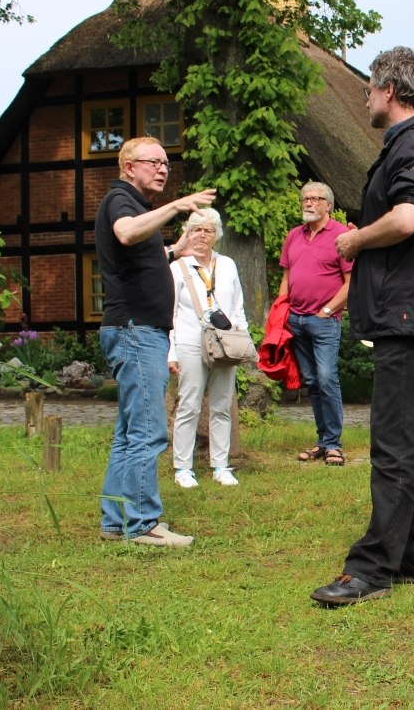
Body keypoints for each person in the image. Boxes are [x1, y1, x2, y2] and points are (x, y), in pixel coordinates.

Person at [310, 46, 414, 607]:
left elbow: (407, 217)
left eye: (370, 88)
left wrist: (353, 239)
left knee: (395, 446)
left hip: (408, 315)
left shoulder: (413, 142)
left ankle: (372, 568)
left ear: (392, 91)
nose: (365, 97)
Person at [96, 136, 216, 548]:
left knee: (129, 432)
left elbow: (137, 256)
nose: (163, 168)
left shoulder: (137, 205)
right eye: (154, 162)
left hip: (135, 329)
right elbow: (126, 235)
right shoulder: (121, 200)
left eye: (166, 162)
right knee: (147, 432)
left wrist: (174, 250)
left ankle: (115, 520)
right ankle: (143, 523)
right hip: (135, 330)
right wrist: (176, 206)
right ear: (129, 166)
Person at [168, 207, 247, 489]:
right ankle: (183, 468)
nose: (202, 235)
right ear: (187, 234)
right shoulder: (177, 266)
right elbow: (171, 313)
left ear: (216, 235)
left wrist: (242, 340)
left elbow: (237, 306)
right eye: (196, 229)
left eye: (208, 230)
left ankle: (221, 466)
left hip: (224, 342)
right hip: (189, 341)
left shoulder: (227, 265)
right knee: (189, 405)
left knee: (222, 405)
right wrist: (171, 352)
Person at [279, 181, 353, 467]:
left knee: (326, 378)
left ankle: (334, 444)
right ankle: (323, 441)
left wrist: (327, 309)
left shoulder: (342, 236)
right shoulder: (293, 236)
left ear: (328, 205)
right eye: (305, 199)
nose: (308, 203)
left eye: (315, 199)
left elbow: (351, 283)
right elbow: (286, 278)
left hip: (323, 321)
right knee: (311, 381)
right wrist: (281, 312)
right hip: (295, 320)